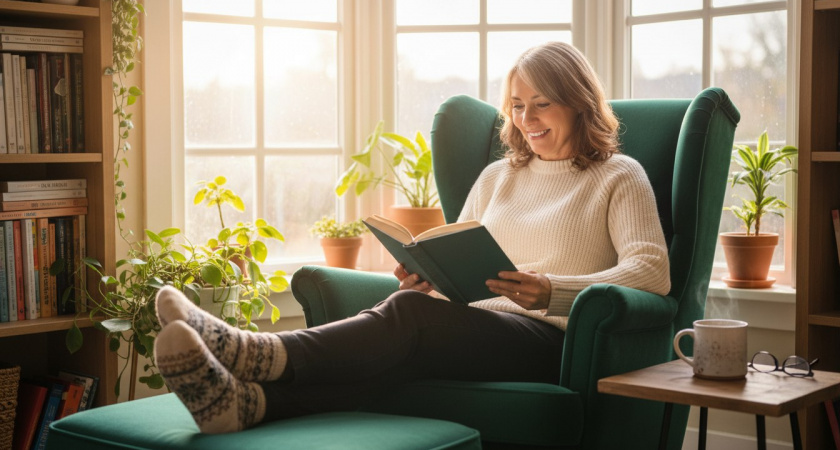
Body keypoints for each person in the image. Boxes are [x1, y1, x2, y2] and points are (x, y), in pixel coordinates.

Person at [153, 41, 671, 434]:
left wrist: (551, 290)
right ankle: (246, 406)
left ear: (578, 104)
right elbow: (462, 261)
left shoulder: (617, 176)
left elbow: (652, 272)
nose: (525, 120)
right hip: (475, 329)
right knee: (397, 341)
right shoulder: (498, 176)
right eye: (516, 105)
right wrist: (428, 279)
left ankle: (254, 350)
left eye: (541, 105)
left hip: (553, 341)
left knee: (405, 320)